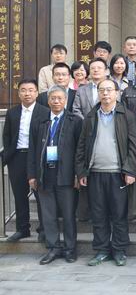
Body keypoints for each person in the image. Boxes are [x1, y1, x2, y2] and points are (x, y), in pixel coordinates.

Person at [75, 79, 136, 267]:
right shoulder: (90, 116)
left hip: (118, 173)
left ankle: (119, 250)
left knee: (119, 214)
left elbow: (133, 146)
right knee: (98, 214)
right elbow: (81, 146)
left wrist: (130, 170)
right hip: (95, 172)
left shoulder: (127, 115)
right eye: (102, 90)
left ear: (117, 93)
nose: (105, 93)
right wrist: (81, 172)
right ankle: (102, 250)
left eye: (109, 90)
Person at [27, 86, 83, 265]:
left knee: (68, 214)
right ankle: (53, 247)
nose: (56, 101)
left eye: (60, 98)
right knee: (48, 214)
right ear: (48, 100)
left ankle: (70, 248)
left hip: (66, 175)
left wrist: (78, 174)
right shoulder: (40, 121)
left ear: (65, 100)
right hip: (45, 174)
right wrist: (32, 175)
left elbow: (80, 150)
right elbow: (32, 149)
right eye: (53, 98)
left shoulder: (75, 121)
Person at [2, 79, 49, 241]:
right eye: (23, 90)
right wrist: (8, 156)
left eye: (30, 90)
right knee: (19, 194)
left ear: (36, 92)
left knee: (40, 193)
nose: (27, 93)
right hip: (17, 157)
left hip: (37, 157)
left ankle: (44, 229)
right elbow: (7, 136)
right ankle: (22, 229)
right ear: (19, 93)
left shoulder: (45, 112)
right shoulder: (12, 112)